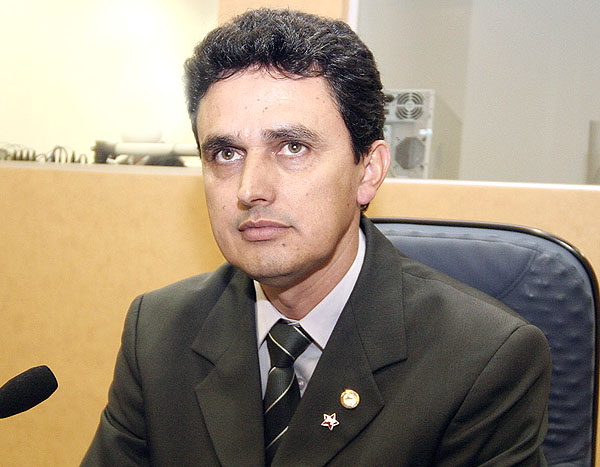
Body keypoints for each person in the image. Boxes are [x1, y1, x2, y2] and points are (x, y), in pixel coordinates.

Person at [82, 8, 551, 466]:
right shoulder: (158, 333)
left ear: (369, 171)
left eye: (293, 147)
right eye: (225, 154)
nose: (249, 189)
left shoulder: (483, 358)